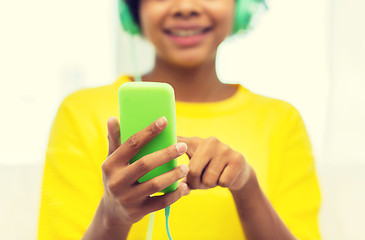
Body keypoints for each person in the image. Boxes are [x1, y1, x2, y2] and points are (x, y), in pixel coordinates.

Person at [39, 0, 321, 239]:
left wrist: (247, 186)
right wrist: (113, 217)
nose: (185, 7)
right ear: (134, 8)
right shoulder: (80, 111)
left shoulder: (281, 120)